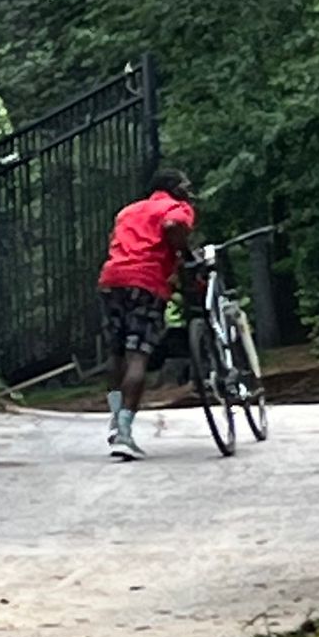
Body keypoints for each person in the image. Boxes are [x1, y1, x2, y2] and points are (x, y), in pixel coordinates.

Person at [97, 166, 195, 461]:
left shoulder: (128, 211)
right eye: (185, 185)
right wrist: (184, 253)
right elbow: (172, 225)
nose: (189, 191)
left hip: (112, 280)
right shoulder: (177, 207)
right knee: (138, 356)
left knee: (116, 354)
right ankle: (125, 432)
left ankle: (115, 417)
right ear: (174, 188)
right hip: (147, 283)